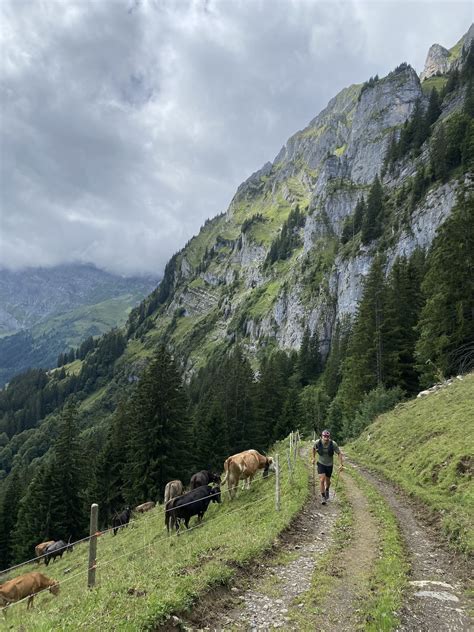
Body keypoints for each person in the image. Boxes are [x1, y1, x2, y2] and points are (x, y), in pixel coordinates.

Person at [312, 429, 343, 505]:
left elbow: (339, 453)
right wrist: (313, 458)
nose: (326, 438)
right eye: (324, 436)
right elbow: (313, 449)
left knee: (328, 481)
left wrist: (340, 464)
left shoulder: (333, 444)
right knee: (322, 479)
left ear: (329, 437)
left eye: (327, 436)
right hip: (321, 463)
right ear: (321, 436)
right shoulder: (318, 443)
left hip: (329, 465)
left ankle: (327, 489)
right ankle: (323, 497)